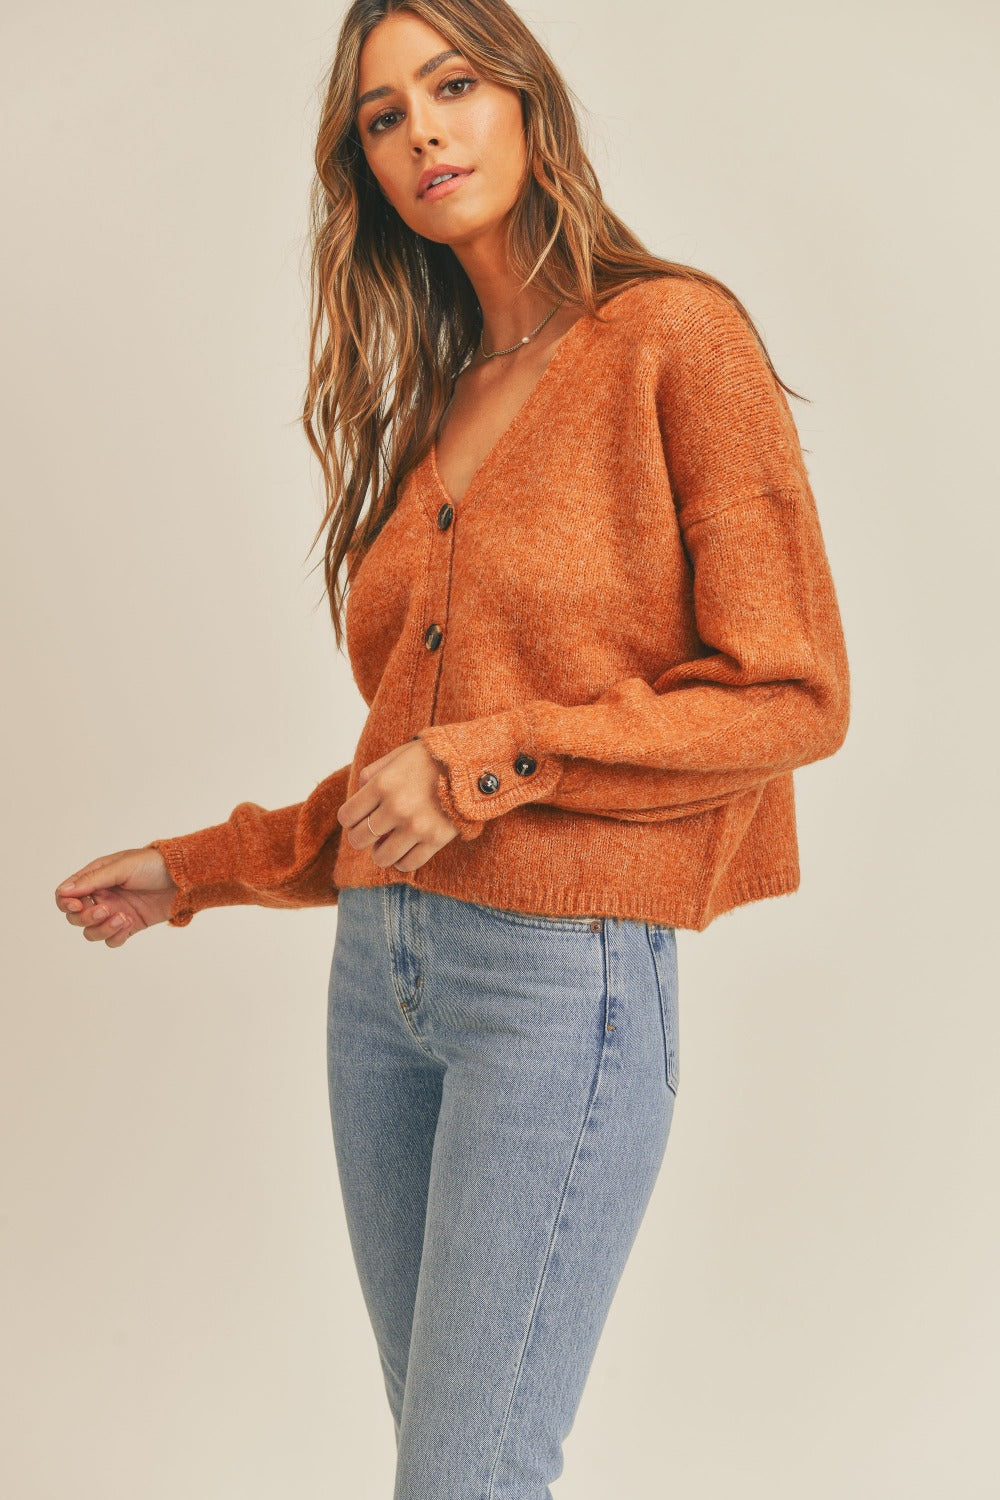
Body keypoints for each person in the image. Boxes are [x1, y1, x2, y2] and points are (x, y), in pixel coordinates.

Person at [53, 2, 850, 1495]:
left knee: (465, 1476)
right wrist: (203, 869)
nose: (422, 129)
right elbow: (400, 770)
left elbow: (792, 695)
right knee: (449, 1463)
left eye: (453, 84)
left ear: (528, 106)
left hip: (564, 986)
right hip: (384, 984)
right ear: (362, 167)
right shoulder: (442, 399)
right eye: (381, 115)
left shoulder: (677, 339)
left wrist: (501, 765)